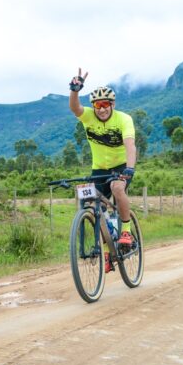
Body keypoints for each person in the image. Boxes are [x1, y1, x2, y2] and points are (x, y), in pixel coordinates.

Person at [68, 68, 136, 250]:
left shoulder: (124, 119)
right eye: (98, 105)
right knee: (92, 204)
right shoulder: (89, 117)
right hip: (98, 169)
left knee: (117, 187)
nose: (102, 109)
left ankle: (126, 231)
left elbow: (130, 145)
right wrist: (75, 90)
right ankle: (107, 250)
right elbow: (75, 108)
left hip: (121, 167)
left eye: (105, 104)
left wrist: (129, 169)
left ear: (112, 104)